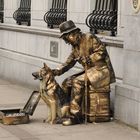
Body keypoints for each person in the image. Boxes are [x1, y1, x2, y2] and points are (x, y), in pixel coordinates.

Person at [52, 20, 116, 125]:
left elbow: (101, 52)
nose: (66, 41)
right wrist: (57, 71)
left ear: (73, 34)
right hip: (90, 71)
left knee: (77, 81)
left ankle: (75, 116)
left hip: (101, 70)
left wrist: (90, 59)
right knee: (66, 82)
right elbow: (69, 62)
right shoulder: (75, 47)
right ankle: (65, 113)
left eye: (66, 37)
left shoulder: (89, 38)